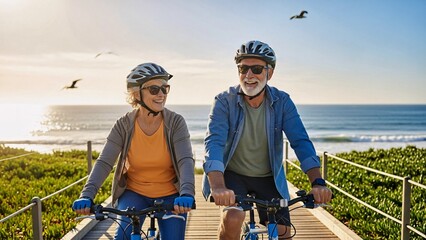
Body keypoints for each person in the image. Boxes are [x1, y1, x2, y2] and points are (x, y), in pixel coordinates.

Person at [202, 40, 332, 240]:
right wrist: (218, 186)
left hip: (268, 177)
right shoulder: (223, 101)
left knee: (283, 233)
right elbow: (214, 142)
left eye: (256, 69)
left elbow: (300, 141)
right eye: (243, 68)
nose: (249, 75)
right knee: (233, 217)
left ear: (269, 73)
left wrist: (317, 181)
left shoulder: (283, 101)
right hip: (233, 174)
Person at [72, 62, 195, 240]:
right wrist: (87, 195)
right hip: (134, 193)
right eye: (154, 89)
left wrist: (186, 193)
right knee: (122, 237)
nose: (161, 94)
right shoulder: (123, 125)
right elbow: (105, 162)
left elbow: (185, 160)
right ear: (136, 93)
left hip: (170, 195)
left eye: (165, 88)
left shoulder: (175, 122)